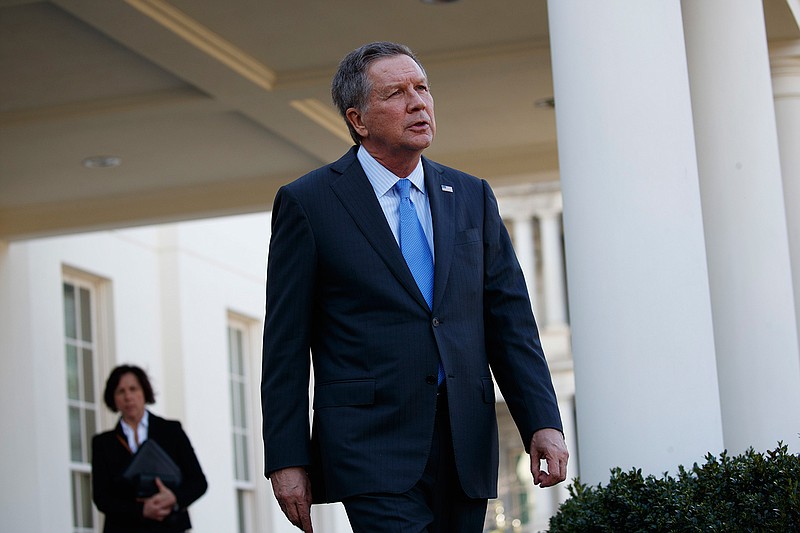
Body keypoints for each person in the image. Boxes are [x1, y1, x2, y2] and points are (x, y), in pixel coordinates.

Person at [261, 41, 568, 533]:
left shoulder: (471, 195)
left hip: (465, 440)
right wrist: (287, 457)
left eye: (422, 88)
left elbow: (510, 320)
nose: (418, 102)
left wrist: (542, 421)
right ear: (358, 119)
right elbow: (285, 344)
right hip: (370, 445)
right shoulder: (309, 203)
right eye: (396, 93)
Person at [92, 365, 208, 532]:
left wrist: (174, 498)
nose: (128, 397)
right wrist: (141, 510)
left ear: (144, 392)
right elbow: (102, 498)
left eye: (133, 389)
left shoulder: (171, 431)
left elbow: (198, 482)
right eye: (120, 391)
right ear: (113, 399)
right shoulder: (103, 443)